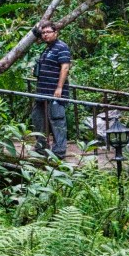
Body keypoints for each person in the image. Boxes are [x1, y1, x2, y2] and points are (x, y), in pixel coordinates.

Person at [30, 22, 71, 159]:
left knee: (57, 120)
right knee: (38, 118)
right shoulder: (47, 48)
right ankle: (41, 146)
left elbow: (65, 67)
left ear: (56, 33)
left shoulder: (62, 47)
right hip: (42, 91)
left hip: (55, 92)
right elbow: (35, 38)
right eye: (43, 33)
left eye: (48, 32)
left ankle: (59, 152)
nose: (45, 35)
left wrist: (59, 88)